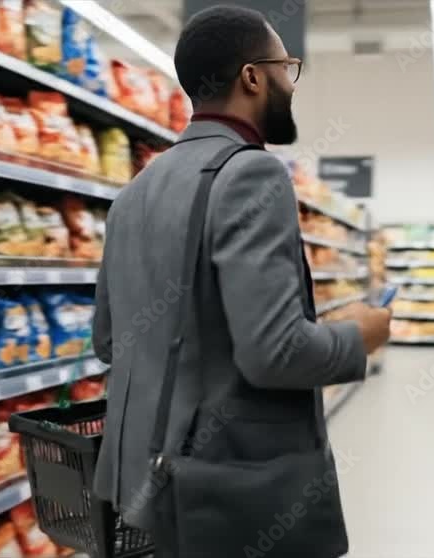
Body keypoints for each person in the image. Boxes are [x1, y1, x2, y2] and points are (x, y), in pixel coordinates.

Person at [91, 5, 391, 557]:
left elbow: (108, 341)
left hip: (142, 492)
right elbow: (273, 354)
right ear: (253, 76)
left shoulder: (132, 194)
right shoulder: (250, 172)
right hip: (228, 498)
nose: (290, 84)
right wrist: (361, 335)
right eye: (286, 67)